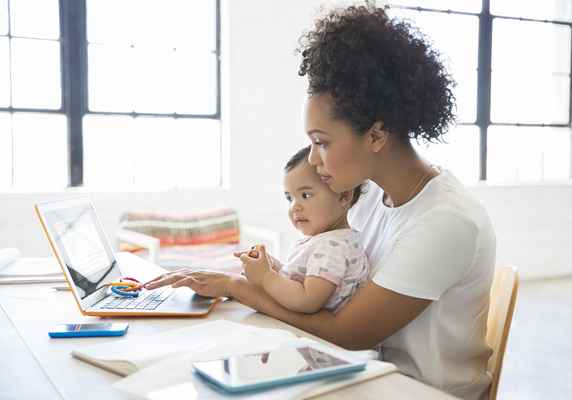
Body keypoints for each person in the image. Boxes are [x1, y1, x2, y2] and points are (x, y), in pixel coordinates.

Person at [144, 3, 496, 399]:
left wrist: (239, 288)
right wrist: (252, 275)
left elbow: (348, 332)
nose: (313, 160)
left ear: (377, 136)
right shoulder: (368, 197)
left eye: (322, 143)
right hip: (357, 373)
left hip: (412, 390)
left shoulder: (445, 221)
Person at [240, 145, 370, 314]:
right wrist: (274, 267)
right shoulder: (332, 241)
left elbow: (308, 300)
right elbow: (300, 279)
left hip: (319, 338)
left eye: (305, 195)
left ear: (344, 196)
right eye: (289, 198)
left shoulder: (333, 247)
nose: (295, 207)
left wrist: (266, 276)